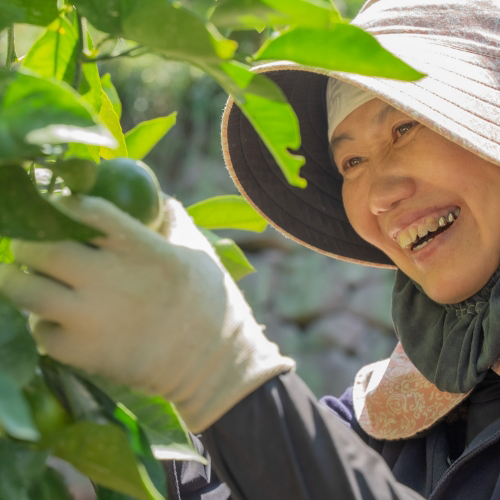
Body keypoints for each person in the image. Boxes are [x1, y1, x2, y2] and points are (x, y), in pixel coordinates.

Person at [2, 0, 500, 498]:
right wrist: (132, 377)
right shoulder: (399, 409)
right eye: (350, 161)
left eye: (404, 128)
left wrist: (218, 365)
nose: (377, 196)